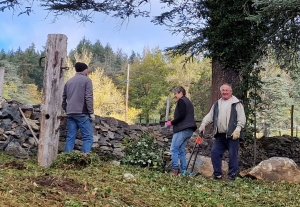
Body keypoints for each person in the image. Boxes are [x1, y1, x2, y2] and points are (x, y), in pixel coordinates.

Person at [199, 83, 246, 181]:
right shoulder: (217, 104)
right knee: (215, 153)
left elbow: (242, 118)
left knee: (233, 155)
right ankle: (218, 175)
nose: (224, 92)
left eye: (226, 90)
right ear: (221, 92)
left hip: (232, 134)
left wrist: (238, 129)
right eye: (223, 90)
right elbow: (210, 116)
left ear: (230, 91)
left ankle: (232, 175)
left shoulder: (236, 103)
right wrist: (203, 124)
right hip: (220, 135)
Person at [62, 62, 95, 154]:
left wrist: (66, 109)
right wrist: (91, 112)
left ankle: (66, 159)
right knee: (88, 137)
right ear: (84, 69)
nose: (88, 70)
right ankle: (84, 159)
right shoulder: (87, 80)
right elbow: (88, 97)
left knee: (70, 137)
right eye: (87, 69)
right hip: (82, 112)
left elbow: (63, 98)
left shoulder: (68, 82)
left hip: (70, 113)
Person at [167, 86, 197, 176]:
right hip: (189, 129)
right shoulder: (188, 101)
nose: (174, 96)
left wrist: (172, 122)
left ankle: (174, 169)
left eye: (175, 93)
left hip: (182, 129)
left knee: (174, 149)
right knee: (180, 150)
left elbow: (182, 115)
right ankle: (184, 171)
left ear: (181, 93)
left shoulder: (182, 101)